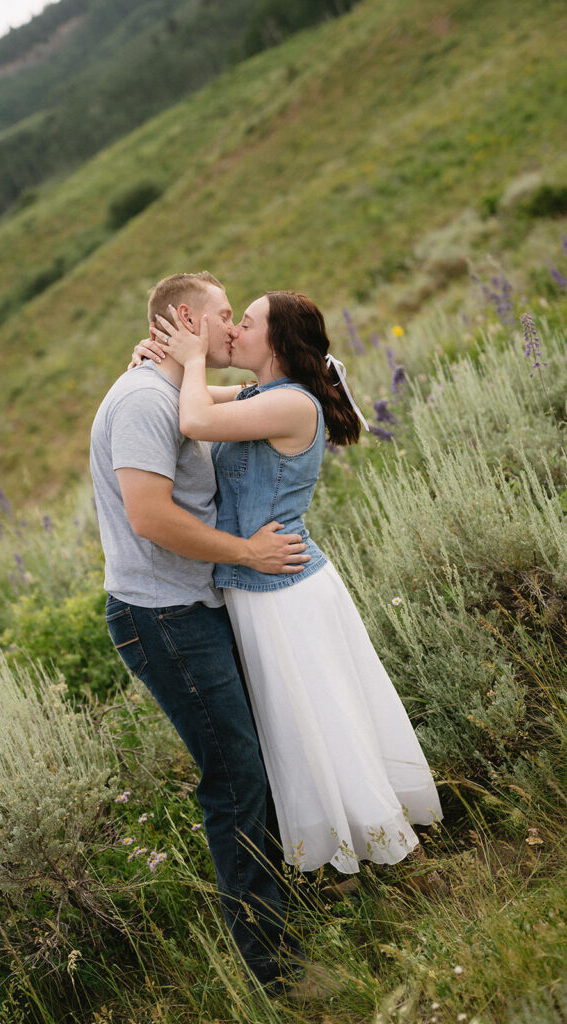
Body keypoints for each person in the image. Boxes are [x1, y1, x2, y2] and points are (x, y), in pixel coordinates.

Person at [152, 289, 443, 877]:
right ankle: (337, 853)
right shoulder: (266, 394)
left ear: (278, 344)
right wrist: (163, 361)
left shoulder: (293, 405)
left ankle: (384, 852)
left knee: (319, 718)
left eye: (248, 323)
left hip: (285, 592)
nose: (234, 332)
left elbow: (195, 417)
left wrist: (191, 360)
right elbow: (193, 397)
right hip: (261, 586)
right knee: (294, 725)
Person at [89, 272, 311, 993]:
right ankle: (272, 973)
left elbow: (258, 399)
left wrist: (181, 363)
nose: (230, 329)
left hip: (191, 609)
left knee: (251, 764)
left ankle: (287, 923)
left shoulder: (168, 390)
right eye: (222, 314)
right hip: (163, 617)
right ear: (186, 318)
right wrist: (248, 553)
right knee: (235, 778)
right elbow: (150, 517)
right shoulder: (143, 402)